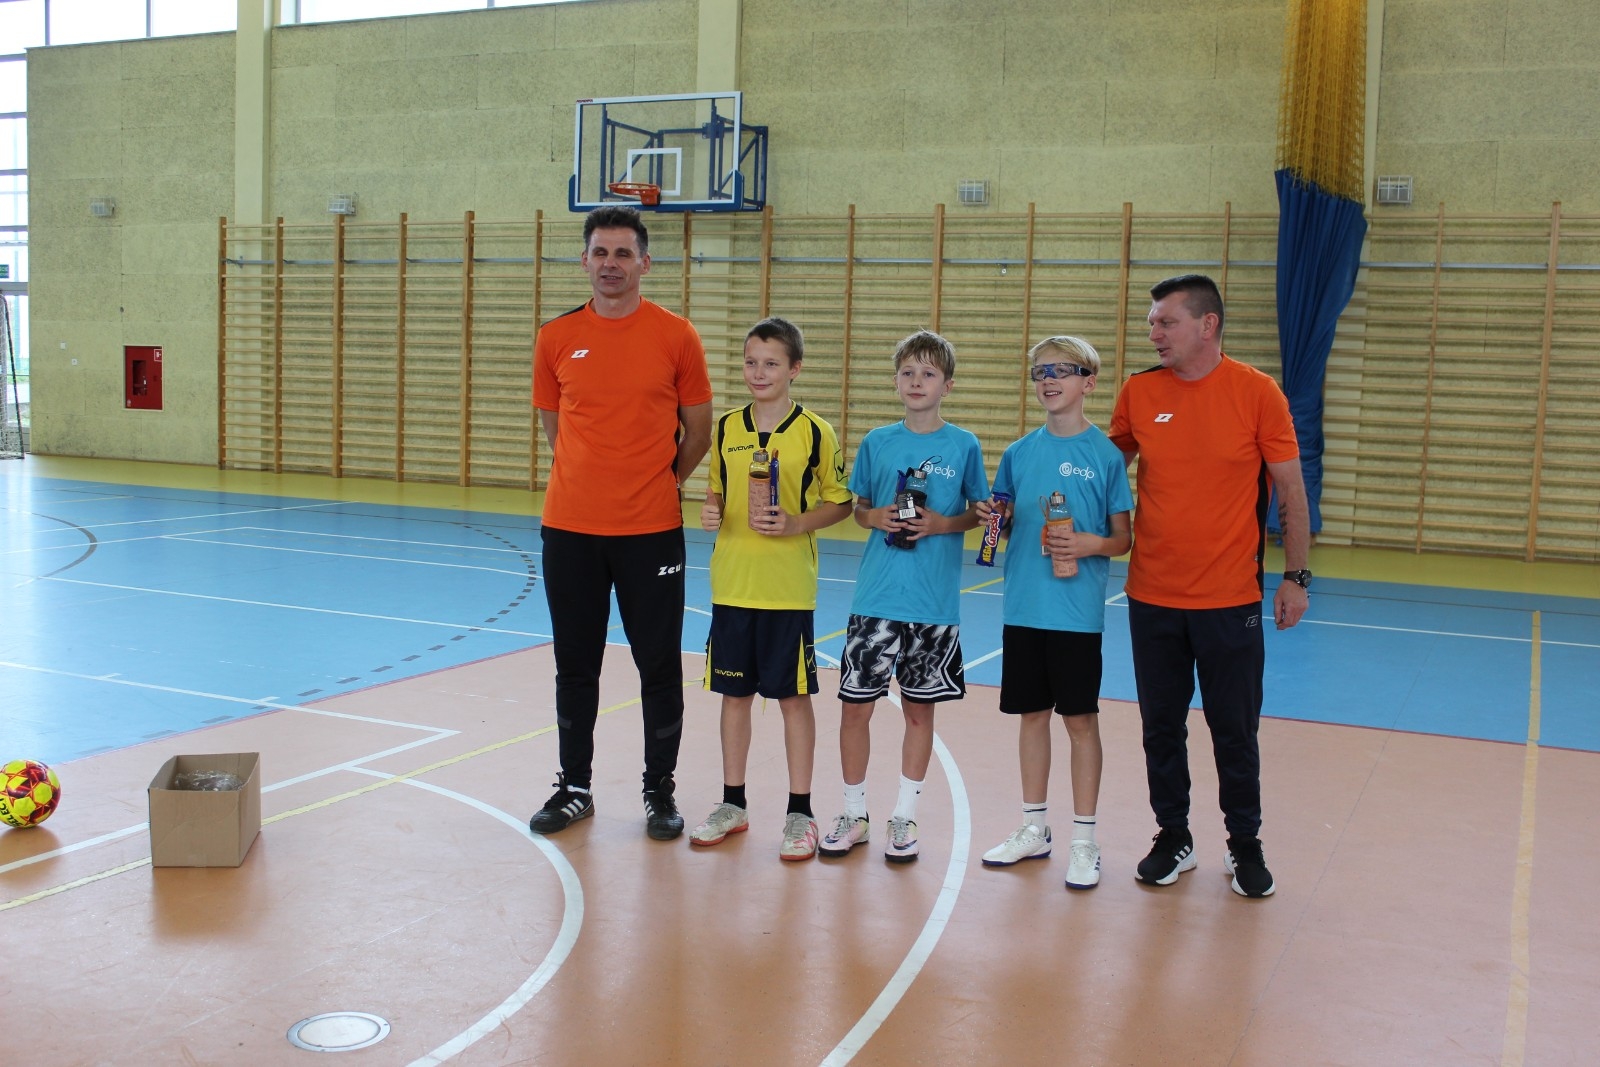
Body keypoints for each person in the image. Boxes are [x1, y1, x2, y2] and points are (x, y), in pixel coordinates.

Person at [1108, 274, 1310, 898]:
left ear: (1208, 324)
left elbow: (1290, 489)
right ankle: (1173, 836)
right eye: (1152, 322)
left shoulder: (1257, 392)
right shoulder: (1140, 391)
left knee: (1234, 730)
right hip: (1151, 596)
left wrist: (1296, 576)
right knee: (1160, 727)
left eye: (1166, 322)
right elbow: (1101, 471)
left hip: (1230, 600)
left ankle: (1244, 844)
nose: (1154, 332)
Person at [528, 205, 713, 842]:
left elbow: (698, 432)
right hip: (570, 531)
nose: (611, 264)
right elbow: (556, 428)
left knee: (658, 667)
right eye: (601, 253)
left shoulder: (677, 336)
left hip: (650, 532)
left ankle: (659, 791)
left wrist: (659, 482)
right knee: (575, 666)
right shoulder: (555, 337)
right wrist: (592, 479)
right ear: (584, 260)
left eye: (623, 253)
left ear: (645, 263)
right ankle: (574, 788)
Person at [819, 330, 988, 864]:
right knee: (854, 710)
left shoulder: (964, 445)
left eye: (928, 374)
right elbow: (859, 509)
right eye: (908, 373)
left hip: (933, 606)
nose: (917, 382)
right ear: (896, 381)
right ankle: (854, 813)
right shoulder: (877, 441)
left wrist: (943, 523)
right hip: (875, 600)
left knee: (919, 714)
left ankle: (904, 816)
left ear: (947, 385)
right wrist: (876, 517)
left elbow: (981, 514)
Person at [689, 317, 853, 861]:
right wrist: (710, 510)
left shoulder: (815, 431)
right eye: (751, 362)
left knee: (792, 698)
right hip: (733, 583)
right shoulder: (725, 428)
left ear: (794, 369)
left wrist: (797, 523)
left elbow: (840, 501)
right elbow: (717, 490)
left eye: (771, 363)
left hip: (787, 589)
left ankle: (800, 812)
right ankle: (732, 803)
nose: (759, 372)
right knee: (733, 697)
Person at [975, 336, 1133, 890]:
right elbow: (1003, 524)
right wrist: (993, 519)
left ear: (1089, 382)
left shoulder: (1105, 455)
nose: (1049, 380)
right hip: (1024, 607)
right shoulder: (1019, 453)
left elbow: (1122, 539)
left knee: (1080, 721)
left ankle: (1084, 840)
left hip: (1076, 614)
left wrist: (1089, 544)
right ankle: (1033, 827)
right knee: (1032, 716)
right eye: (1041, 371)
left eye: (1062, 370)